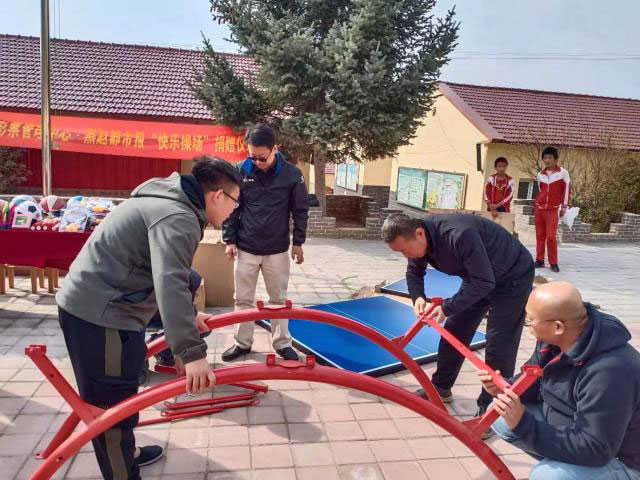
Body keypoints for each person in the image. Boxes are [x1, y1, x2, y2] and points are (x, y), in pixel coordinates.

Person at [56, 157, 241, 480]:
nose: (233, 211)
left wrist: (189, 315)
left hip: (104, 304)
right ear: (217, 196)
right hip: (102, 316)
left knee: (119, 401)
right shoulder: (178, 216)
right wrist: (191, 354)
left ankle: (128, 455)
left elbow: (157, 271)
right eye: (235, 202)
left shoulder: (166, 198)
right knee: (112, 414)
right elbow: (169, 283)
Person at [381, 213, 534, 432]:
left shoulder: (459, 235)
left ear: (419, 233)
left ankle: (491, 411)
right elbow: (414, 272)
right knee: (455, 328)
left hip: (512, 276)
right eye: (400, 253)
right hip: (479, 277)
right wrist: (418, 297)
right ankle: (441, 387)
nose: (406, 255)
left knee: (499, 342)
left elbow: (484, 282)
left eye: (405, 250)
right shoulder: (417, 239)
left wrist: (447, 307)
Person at [478, 282, 640, 480]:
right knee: (499, 414)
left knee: (547, 475)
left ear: (557, 327)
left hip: (620, 457)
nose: (527, 324)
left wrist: (523, 424)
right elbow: (536, 381)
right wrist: (506, 386)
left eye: (530, 320)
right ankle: (566, 463)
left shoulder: (610, 371)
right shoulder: (557, 339)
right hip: (576, 425)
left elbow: (596, 448)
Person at [221, 124, 309, 362]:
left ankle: (282, 343)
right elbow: (231, 208)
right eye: (252, 156)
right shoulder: (240, 171)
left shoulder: (292, 175)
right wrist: (229, 240)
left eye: (262, 157)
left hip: (277, 250)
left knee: (278, 299)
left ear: (275, 149)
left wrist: (298, 242)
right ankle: (242, 343)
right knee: (242, 299)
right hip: (246, 248)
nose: (257, 162)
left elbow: (300, 210)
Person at [534, 146, 571, 273]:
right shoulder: (540, 174)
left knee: (551, 237)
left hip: (552, 210)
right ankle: (539, 260)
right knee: (540, 236)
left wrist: (564, 206)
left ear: (555, 159)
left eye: (550, 157)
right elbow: (541, 190)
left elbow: (567, 190)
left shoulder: (563, 173)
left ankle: (553, 262)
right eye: (545, 158)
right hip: (539, 209)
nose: (547, 160)